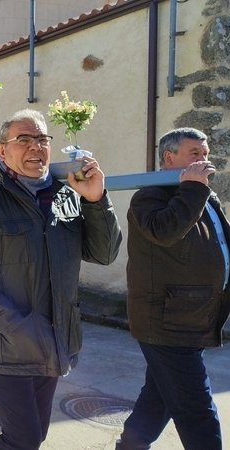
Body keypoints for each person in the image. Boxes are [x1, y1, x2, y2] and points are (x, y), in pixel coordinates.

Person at [0, 109, 122, 449]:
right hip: (8, 344)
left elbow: (104, 253)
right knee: (22, 438)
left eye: (42, 139)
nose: (35, 147)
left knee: (35, 435)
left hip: (56, 340)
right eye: (24, 139)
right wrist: (17, 326)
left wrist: (96, 200)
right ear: (2, 151)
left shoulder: (67, 198)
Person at [117, 128, 227, 450]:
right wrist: (193, 189)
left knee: (159, 398)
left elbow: (218, 243)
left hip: (192, 316)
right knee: (198, 411)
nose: (204, 160)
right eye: (195, 154)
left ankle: (130, 446)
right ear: (169, 157)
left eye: (205, 153)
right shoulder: (150, 196)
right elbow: (165, 231)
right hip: (165, 321)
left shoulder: (200, 194)